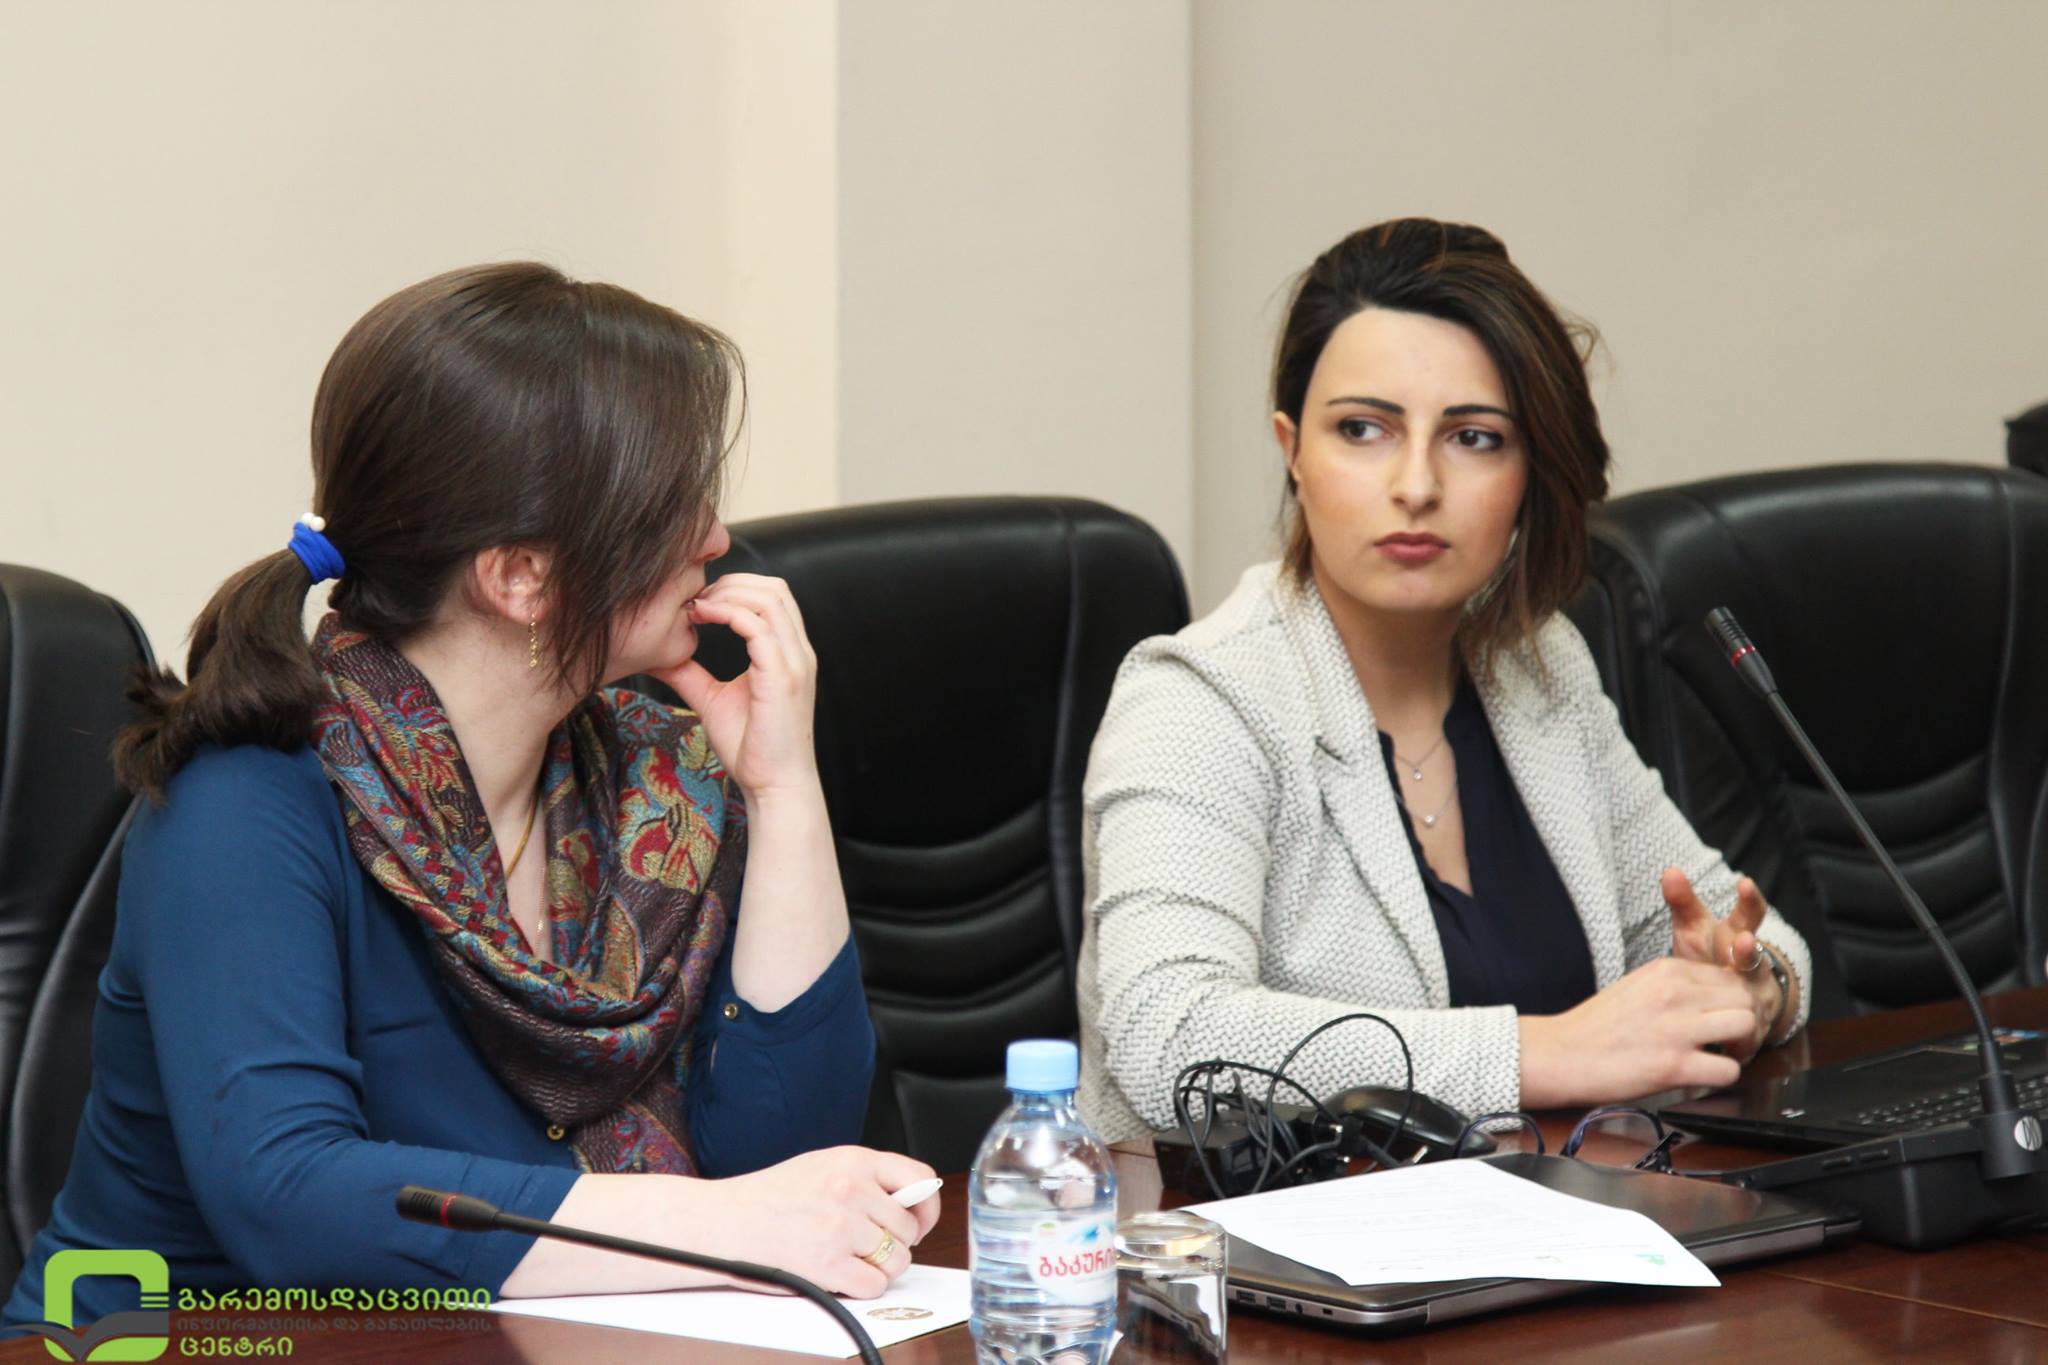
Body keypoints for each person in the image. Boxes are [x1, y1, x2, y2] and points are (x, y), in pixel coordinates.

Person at [3, 264, 938, 1327]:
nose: (714, 537)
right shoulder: (245, 800)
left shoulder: (653, 779)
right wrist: (721, 1226)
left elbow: (787, 1170)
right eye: (670, 498)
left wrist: (782, 789)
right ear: (521, 577)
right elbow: (288, 1197)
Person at [1076, 219, 1811, 1142]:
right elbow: (1171, 1037)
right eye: (1362, 429)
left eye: (1473, 437)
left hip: (1555, 1214)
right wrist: (1545, 1052)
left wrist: (1753, 986)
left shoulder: (1538, 671)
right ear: (1292, 450)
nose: (1416, 484)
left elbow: (1750, 931)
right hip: (1275, 1233)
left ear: (1530, 470)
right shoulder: (1198, 699)